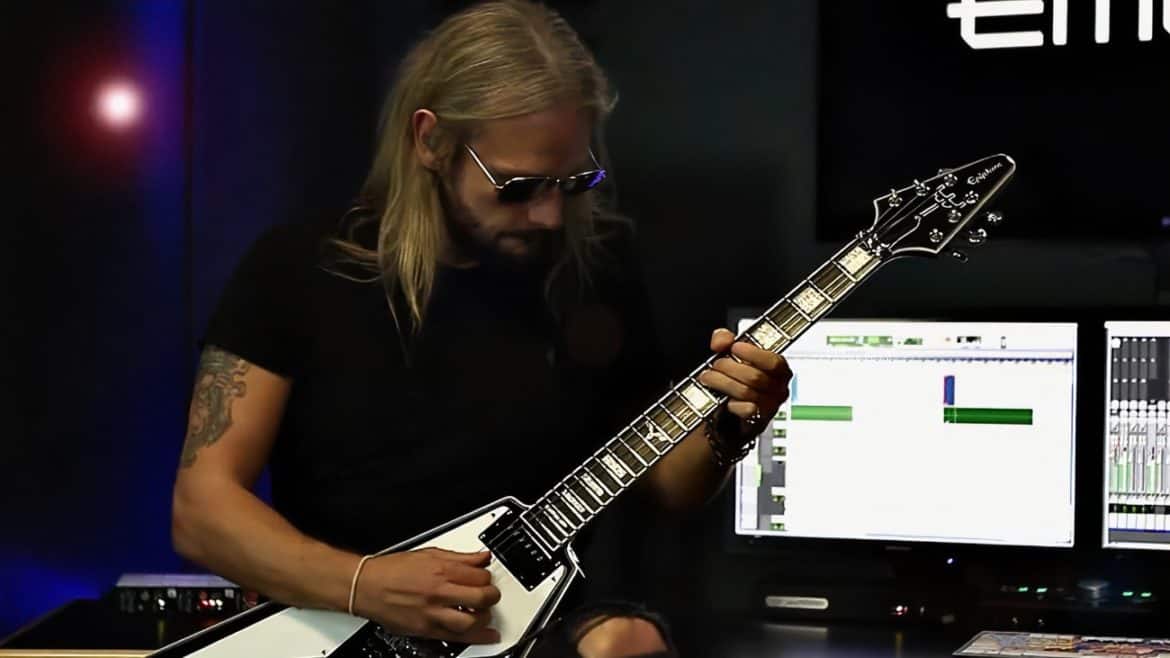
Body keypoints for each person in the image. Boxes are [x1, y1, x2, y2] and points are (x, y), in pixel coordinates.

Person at [170, 2, 792, 656]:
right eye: (519, 188)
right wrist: (363, 584)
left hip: (538, 627)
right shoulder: (296, 270)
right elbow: (201, 510)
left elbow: (667, 484)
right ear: (431, 141)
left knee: (629, 642)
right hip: (344, 630)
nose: (551, 216)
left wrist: (731, 426)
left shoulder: (593, 268)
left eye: (572, 183)